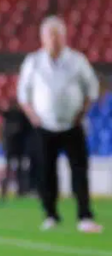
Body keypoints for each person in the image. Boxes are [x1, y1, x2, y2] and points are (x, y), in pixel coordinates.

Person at [17, 16, 101, 233]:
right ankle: (50, 214)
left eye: (57, 35)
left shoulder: (77, 60)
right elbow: (23, 94)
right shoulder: (33, 62)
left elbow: (92, 89)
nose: (54, 39)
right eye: (50, 35)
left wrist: (82, 112)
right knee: (46, 172)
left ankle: (85, 215)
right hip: (44, 127)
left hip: (73, 125)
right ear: (42, 38)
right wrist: (33, 117)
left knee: (79, 171)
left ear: (64, 37)